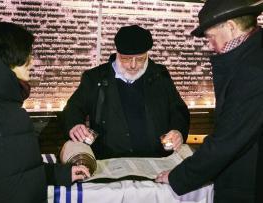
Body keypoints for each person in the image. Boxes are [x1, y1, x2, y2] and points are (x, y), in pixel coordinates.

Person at [155, 0, 263, 202]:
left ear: (231, 27)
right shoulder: (253, 55)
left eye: (211, 37)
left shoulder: (253, 71)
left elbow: (228, 139)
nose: (210, 44)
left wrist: (178, 176)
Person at [0, 22, 90, 203]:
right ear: (6, 57)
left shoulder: (9, 106)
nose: (32, 61)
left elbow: (16, 170)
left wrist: (59, 174)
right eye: (27, 54)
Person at [61, 25, 190, 159]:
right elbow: (73, 107)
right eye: (126, 59)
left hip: (155, 159)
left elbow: (178, 109)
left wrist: (178, 131)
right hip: (109, 159)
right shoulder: (95, 77)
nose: (133, 65)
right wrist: (75, 124)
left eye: (140, 59)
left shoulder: (160, 75)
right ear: (117, 54)